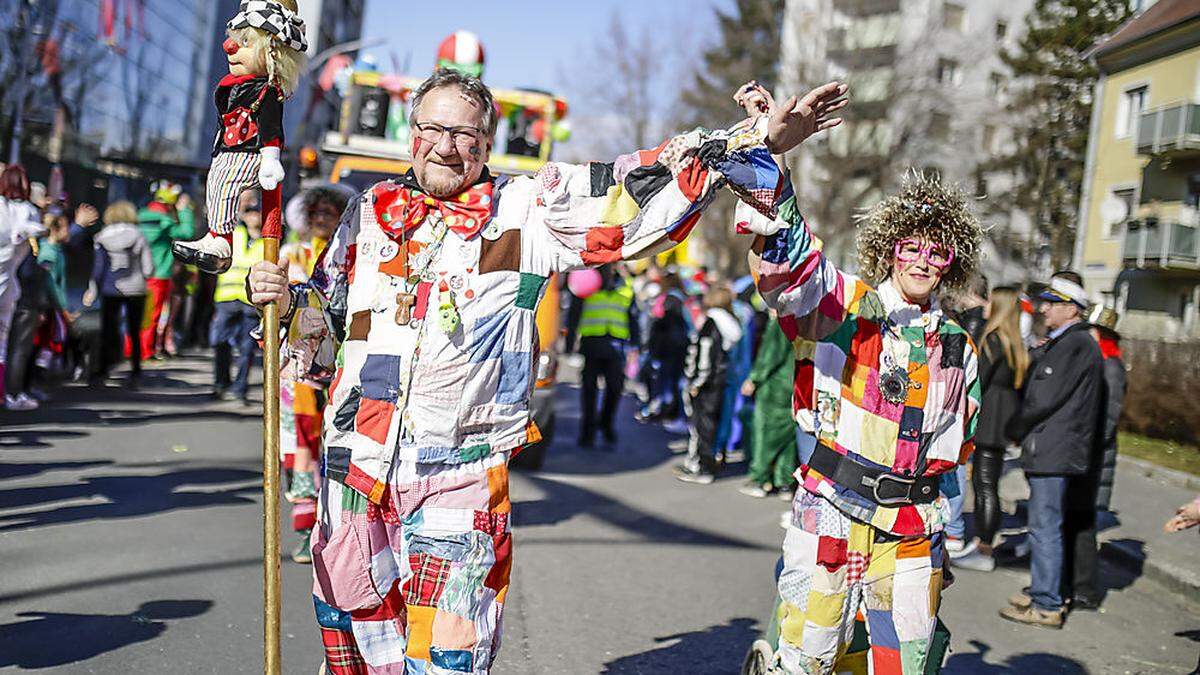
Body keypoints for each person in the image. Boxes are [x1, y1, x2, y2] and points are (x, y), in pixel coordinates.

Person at [247, 68, 846, 673]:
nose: (448, 146)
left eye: (467, 135)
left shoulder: (527, 209)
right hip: (356, 464)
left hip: (459, 471)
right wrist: (285, 301)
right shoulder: (367, 213)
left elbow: (628, 186)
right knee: (351, 635)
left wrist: (749, 140)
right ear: (412, 134)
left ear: (486, 145)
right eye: (434, 129)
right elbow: (321, 332)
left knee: (449, 654)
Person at [735, 76, 978, 675]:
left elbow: (956, 451)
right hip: (833, 512)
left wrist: (952, 532)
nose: (923, 261)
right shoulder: (848, 306)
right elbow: (793, 266)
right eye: (912, 247)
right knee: (811, 657)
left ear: (950, 264)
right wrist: (771, 154)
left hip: (914, 529)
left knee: (904, 665)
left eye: (937, 252)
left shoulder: (958, 345)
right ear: (890, 250)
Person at [172, 0, 307, 273]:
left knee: (227, 182)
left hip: (250, 152)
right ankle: (215, 234)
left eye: (245, 42)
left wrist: (271, 158)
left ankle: (222, 241)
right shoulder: (236, 87)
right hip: (230, 150)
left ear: (272, 52)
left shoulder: (266, 89)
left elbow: (271, 127)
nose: (229, 47)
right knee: (216, 182)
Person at [1001, 271, 1103, 629]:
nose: (1044, 309)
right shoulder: (1069, 342)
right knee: (1045, 526)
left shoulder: (1075, 344)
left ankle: (1047, 603)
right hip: (1053, 449)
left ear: (1073, 309)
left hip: (1054, 450)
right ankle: (1045, 590)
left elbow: (1043, 396)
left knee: (1045, 527)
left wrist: (1013, 427)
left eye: (1053, 303)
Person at [280, 184, 348, 564]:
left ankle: (335, 531)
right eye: (316, 213)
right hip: (298, 374)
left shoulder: (348, 257)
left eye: (330, 213)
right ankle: (306, 532)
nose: (322, 219)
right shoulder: (291, 254)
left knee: (337, 451)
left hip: (341, 370)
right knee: (301, 452)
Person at [957, 286, 1030, 573]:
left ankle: (984, 546)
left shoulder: (993, 341)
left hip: (989, 421)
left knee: (984, 485)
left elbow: (978, 380)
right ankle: (984, 542)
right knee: (990, 483)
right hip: (1005, 421)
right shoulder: (1014, 343)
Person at [1062, 304, 1126, 611]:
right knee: (1074, 520)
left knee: (1083, 522)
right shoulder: (1099, 362)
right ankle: (1070, 584)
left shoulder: (1111, 367)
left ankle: (1084, 588)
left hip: (1093, 458)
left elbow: (1108, 418)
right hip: (1083, 453)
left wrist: (1083, 446)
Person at [675, 284, 743, 485]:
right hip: (721, 381)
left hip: (707, 383)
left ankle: (702, 467)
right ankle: (709, 462)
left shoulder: (711, 322)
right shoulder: (731, 322)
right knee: (713, 425)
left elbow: (706, 354)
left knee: (701, 426)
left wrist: (697, 382)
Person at [566, 264, 639, 448]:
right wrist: (569, 345)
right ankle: (587, 432)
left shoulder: (626, 287)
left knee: (615, 388)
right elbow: (574, 314)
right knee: (589, 390)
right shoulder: (588, 282)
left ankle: (606, 424)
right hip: (592, 344)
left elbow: (633, 317)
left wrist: (636, 345)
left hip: (615, 346)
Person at [89, 201, 154, 387]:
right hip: (136, 288)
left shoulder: (101, 237)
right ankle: (135, 370)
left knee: (108, 329)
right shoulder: (138, 235)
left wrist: (93, 288)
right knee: (134, 331)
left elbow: (98, 268)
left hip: (111, 289)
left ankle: (103, 369)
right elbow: (148, 268)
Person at [0, 165, 48, 408]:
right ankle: (9, 394)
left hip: (11, 285)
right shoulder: (24, 211)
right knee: (8, 344)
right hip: (11, 287)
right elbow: (25, 234)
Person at [210, 196, 263, 403]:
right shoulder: (235, 234)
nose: (252, 217)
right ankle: (220, 384)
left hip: (251, 302)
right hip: (227, 298)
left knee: (247, 349)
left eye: (256, 213)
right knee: (221, 343)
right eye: (249, 213)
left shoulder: (269, 241)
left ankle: (240, 388)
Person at [739, 314, 798, 499]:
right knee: (788, 437)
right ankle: (785, 482)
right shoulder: (806, 318)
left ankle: (759, 478)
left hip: (776, 387)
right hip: (795, 384)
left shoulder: (782, 321)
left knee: (766, 433)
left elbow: (770, 355)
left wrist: (754, 378)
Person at [138, 182, 195, 358]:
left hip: (137, 274)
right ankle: (146, 352)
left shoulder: (140, 216)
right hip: (159, 273)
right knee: (154, 314)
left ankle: (133, 350)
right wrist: (185, 210)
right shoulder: (165, 220)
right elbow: (187, 232)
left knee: (138, 314)